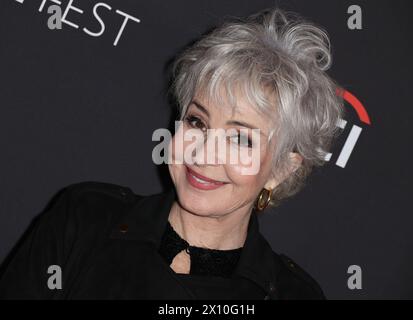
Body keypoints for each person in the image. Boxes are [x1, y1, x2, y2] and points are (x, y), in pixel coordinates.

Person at [0, 7, 344, 299]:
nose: (206, 153)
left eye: (241, 139)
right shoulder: (85, 220)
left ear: (281, 169)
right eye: (198, 122)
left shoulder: (293, 294)